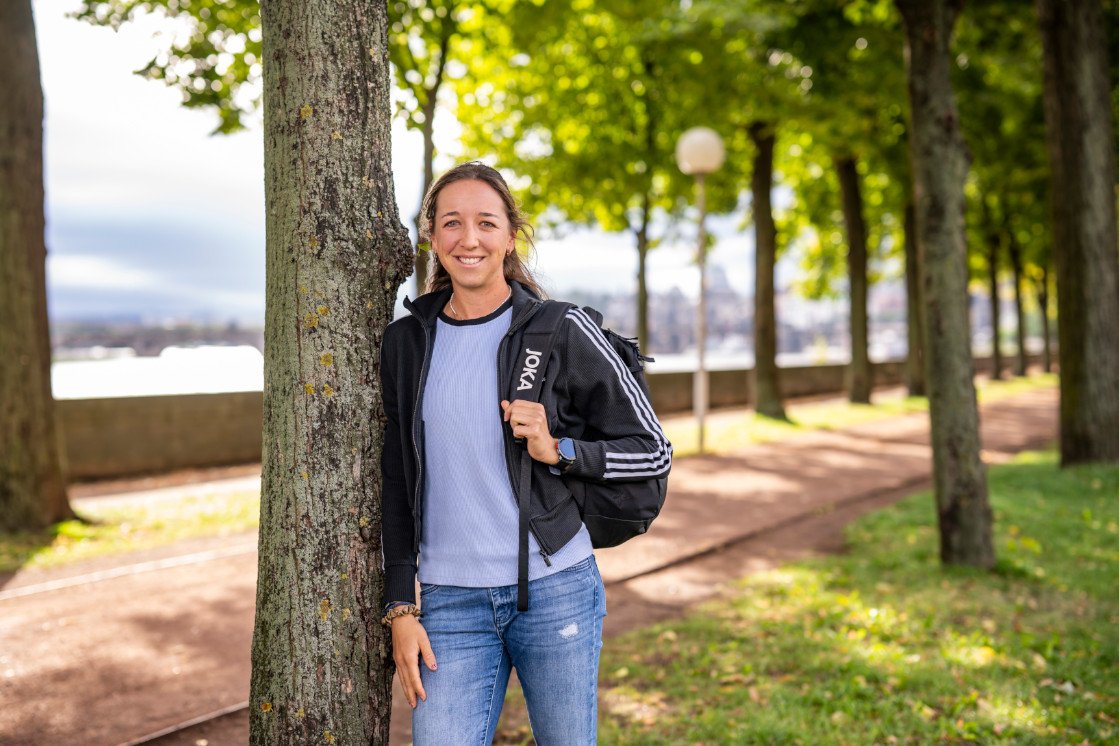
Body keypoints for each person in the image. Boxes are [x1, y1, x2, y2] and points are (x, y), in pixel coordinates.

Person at [378, 161, 671, 745]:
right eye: (452, 223)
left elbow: (653, 451)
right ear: (431, 237)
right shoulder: (406, 342)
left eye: (486, 223)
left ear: (510, 236)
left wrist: (560, 449)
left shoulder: (561, 330)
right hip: (447, 605)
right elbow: (396, 479)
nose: (469, 239)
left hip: (556, 589)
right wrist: (399, 607)